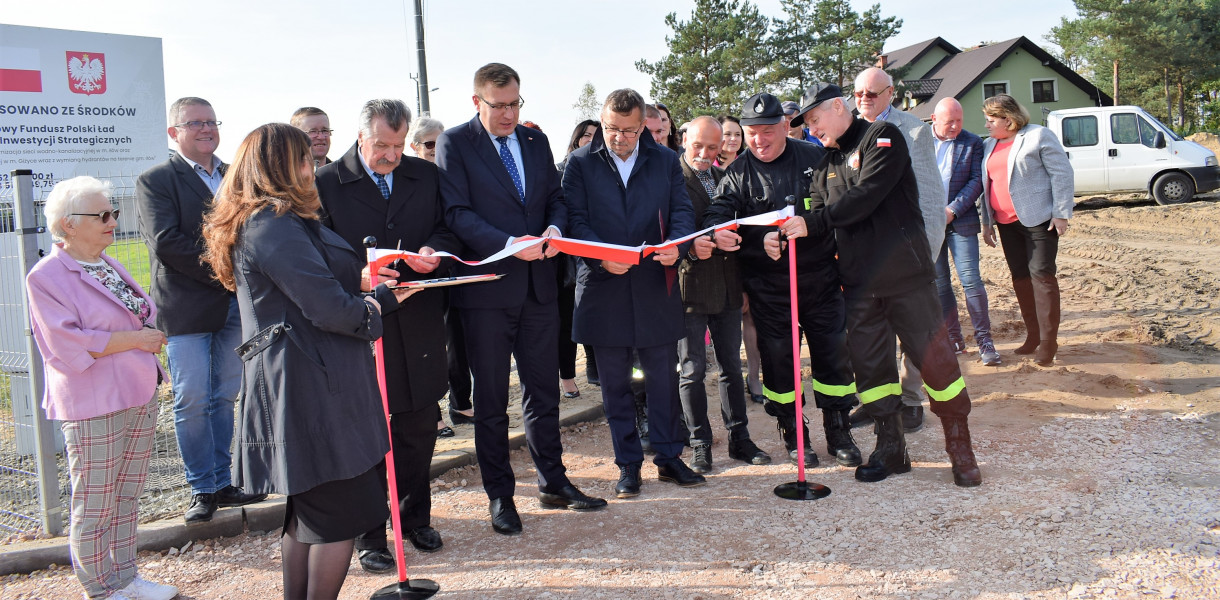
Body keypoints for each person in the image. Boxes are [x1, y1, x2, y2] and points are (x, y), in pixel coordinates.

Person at [202, 123, 411, 599]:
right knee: (336, 515)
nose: (312, 168)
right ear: (277, 167)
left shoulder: (277, 221)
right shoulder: (271, 224)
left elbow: (315, 290)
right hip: (310, 385)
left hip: (311, 377)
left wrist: (370, 290)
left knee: (311, 514)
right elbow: (329, 309)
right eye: (303, 160)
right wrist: (379, 303)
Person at [437, 63, 606, 536]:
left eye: (515, 103)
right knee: (491, 401)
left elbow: (556, 197)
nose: (509, 113)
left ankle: (554, 482)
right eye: (499, 105)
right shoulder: (455, 143)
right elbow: (456, 213)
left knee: (543, 393)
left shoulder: (535, 141)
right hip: (488, 290)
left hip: (538, 289)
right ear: (477, 102)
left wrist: (555, 228)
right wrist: (511, 242)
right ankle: (501, 496)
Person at [795, 82, 982, 487]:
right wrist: (788, 233)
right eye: (806, 124)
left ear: (837, 108)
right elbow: (821, 213)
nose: (811, 129)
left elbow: (867, 195)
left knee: (937, 364)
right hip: (859, 286)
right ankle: (890, 448)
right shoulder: (825, 165)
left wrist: (811, 222)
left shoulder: (882, 137)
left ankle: (960, 448)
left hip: (905, 280)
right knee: (872, 370)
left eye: (814, 119)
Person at [315, 99, 460, 571]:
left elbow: (448, 228)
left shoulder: (427, 175)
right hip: (360, 327)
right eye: (381, 145)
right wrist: (355, 274)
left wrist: (433, 251)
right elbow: (314, 255)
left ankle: (414, 518)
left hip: (417, 322)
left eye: (398, 146)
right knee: (368, 433)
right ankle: (369, 532)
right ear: (360, 137)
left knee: (418, 426)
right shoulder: (325, 184)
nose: (391, 155)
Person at [28, 176, 177, 600]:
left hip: (137, 391)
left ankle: (127, 577)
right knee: (95, 502)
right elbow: (65, 343)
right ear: (69, 224)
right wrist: (137, 339)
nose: (114, 221)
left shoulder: (106, 262)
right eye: (104, 215)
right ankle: (101, 587)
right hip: (93, 401)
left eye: (113, 213)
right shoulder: (47, 275)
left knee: (127, 494)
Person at [704, 92, 861, 469]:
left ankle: (839, 430)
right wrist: (718, 232)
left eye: (768, 131)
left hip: (820, 279)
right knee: (778, 361)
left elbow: (836, 207)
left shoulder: (814, 158)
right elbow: (719, 213)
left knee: (833, 353)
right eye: (752, 132)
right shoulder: (737, 173)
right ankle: (795, 434)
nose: (760, 140)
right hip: (769, 287)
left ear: (786, 126)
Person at [564, 87, 704, 497]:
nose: (618, 137)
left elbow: (681, 210)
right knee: (615, 386)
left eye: (627, 130)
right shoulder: (579, 163)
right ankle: (627, 465)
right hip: (603, 287)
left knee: (662, 379)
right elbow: (574, 221)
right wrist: (600, 257)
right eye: (610, 128)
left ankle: (668, 457)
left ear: (643, 125)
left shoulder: (664, 161)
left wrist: (676, 245)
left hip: (652, 284)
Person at [135, 97, 264, 524]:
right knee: (192, 399)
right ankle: (202, 488)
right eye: (195, 123)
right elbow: (167, 242)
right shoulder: (156, 181)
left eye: (212, 122)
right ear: (174, 133)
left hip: (233, 306)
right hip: (188, 306)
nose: (206, 129)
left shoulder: (234, 177)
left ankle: (223, 481)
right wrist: (228, 271)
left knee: (224, 395)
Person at [850, 67, 947, 434]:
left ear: (891, 93)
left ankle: (909, 399)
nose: (864, 100)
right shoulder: (850, 133)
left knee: (912, 331)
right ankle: (875, 400)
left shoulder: (915, 131)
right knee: (871, 333)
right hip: (865, 258)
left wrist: (927, 250)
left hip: (906, 255)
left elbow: (930, 197)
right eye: (859, 93)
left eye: (872, 94)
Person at [676, 116, 771, 473]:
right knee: (692, 369)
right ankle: (700, 443)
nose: (704, 153)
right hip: (690, 290)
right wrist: (691, 247)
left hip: (729, 289)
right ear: (685, 139)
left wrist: (744, 285)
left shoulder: (726, 178)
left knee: (732, 366)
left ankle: (740, 438)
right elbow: (670, 230)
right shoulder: (672, 181)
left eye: (712, 148)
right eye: (698, 145)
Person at [980, 94, 1074, 366]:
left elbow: (1062, 173)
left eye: (990, 119)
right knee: (1020, 279)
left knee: (1042, 278)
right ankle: (1033, 335)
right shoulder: (989, 145)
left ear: (1007, 120)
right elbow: (987, 185)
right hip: (1007, 223)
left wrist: (1062, 213)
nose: (986, 124)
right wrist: (987, 223)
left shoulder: (1038, 136)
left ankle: (1048, 342)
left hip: (1039, 220)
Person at [930, 98, 1000, 366]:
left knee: (971, 281)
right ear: (934, 119)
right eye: (950, 122)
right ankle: (954, 339)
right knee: (940, 283)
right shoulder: (920, 141)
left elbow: (975, 182)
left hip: (961, 222)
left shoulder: (972, 143)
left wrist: (952, 210)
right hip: (930, 225)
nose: (956, 126)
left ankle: (985, 342)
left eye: (959, 120)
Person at [556, 119, 601, 396]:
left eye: (597, 136)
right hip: (565, 260)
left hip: (595, 255)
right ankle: (568, 377)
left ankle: (595, 370)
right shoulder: (560, 170)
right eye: (587, 135)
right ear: (576, 139)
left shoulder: (604, 174)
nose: (592, 140)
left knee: (594, 317)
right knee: (566, 320)